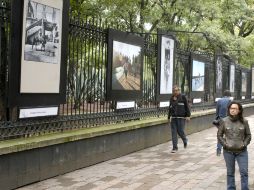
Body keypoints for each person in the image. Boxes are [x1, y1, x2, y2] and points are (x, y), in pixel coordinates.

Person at [217, 101, 251, 190]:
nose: (233, 110)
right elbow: (219, 135)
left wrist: (244, 144)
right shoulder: (224, 121)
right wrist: (225, 144)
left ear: (239, 110)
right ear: (229, 110)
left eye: (235, 108)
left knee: (244, 172)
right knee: (230, 172)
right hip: (228, 152)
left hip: (242, 151)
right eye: (231, 108)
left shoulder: (244, 121)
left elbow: (248, 135)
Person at [168, 85, 191, 153]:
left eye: (176, 90)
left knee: (180, 131)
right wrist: (169, 117)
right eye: (174, 91)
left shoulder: (183, 97)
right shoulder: (172, 98)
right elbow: (170, 108)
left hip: (181, 118)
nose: (175, 92)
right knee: (174, 132)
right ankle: (175, 148)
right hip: (174, 118)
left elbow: (187, 107)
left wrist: (188, 116)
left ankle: (185, 140)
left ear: (179, 91)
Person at [215, 90, 232, 156]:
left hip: (220, 120)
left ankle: (218, 151)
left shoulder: (219, 100)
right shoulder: (230, 101)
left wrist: (217, 119)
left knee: (220, 135)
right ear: (229, 95)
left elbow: (217, 112)